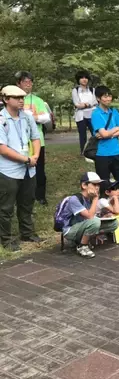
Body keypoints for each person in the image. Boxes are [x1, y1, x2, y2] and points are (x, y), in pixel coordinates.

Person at [0, 85, 42, 251]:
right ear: (6, 99)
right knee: (6, 207)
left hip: (28, 168)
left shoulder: (27, 117)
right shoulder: (1, 119)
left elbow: (36, 137)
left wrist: (36, 156)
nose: (21, 101)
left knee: (27, 203)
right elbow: (2, 148)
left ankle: (27, 232)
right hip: (8, 170)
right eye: (17, 98)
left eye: (22, 98)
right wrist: (26, 159)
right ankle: (7, 238)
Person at [61, 172, 119, 259]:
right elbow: (90, 217)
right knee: (94, 221)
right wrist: (96, 198)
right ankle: (82, 246)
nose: (97, 187)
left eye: (98, 185)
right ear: (84, 185)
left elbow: (92, 216)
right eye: (94, 184)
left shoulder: (90, 199)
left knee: (114, 223)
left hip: (83, 225)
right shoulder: (74, 199)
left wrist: (105, 217)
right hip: (70, 230)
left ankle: (87, 239)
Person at [16, 71, 51, 205]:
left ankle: (40, 196)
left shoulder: (37, 100)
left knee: (39, 168)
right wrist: (34, 116)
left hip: (37, 141)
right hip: (18, 141)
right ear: (18, 83)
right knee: (19, 168)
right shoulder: (14, 99)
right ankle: (21, 195)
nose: (28, 84)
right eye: (25, 82)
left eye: (30, 82)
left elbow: (45, 118)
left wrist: (29, 117)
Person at [91, 86, 119, 196]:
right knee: (104, 182)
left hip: (117, 152)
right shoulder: (96, 114)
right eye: (105, 96)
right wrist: (115, 129)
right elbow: (104, 134)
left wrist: (110, 134)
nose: (108, 99)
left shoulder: (114, 112)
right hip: (102, 154)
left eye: (109, 96)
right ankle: (106, 207)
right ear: (98, 98)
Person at [72, 70, 97, 155]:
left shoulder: (92, 90)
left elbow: (95, 102)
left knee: (95, 132)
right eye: (82, 78)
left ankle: (96, 149)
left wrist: (85, 104)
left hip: (92, 115)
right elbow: (77, 104)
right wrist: (88, 104)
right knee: (82, 135)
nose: (84, 79)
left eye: (86, 77)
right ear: (78, 79)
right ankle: (83, 151)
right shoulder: (75, 90)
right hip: (80, 116)